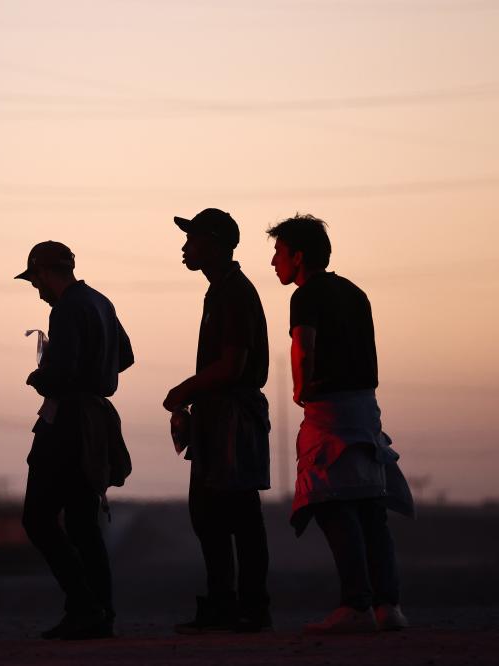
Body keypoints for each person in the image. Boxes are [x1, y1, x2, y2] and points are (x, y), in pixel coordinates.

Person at [268, 214, 414, 634]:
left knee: (332, 502)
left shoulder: (306, 295)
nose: (274, 263)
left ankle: (355, 604)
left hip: (330, 411)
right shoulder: (355, 293)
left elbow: (304, 344)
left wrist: (301, 387)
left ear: (298, 256)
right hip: (365, 409)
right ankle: (389, 605)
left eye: (278, 254)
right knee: (370, 508)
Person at [16, 241, 134, 640]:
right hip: (96, 421)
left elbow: (61, 373)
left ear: (46, 272)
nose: (37, 289)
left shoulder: (65, 308)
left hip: (67, 422)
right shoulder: (101, 302)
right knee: (85, 525)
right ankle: (102, 612)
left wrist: (39, 376)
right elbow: (126, 356)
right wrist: (95, 367)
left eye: (36, 280)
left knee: (38, 518)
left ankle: (83, 605)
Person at [163, 208, 272, 633]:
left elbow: (232, 365)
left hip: (232, 416)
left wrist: (184, 391)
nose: (185, 247)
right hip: (219, 414)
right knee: (215, 515)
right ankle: (231, 605)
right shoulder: (222, 291)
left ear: (213, 242)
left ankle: (246, 608)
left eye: (192, 238)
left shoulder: (233, 293)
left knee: (235, 515)